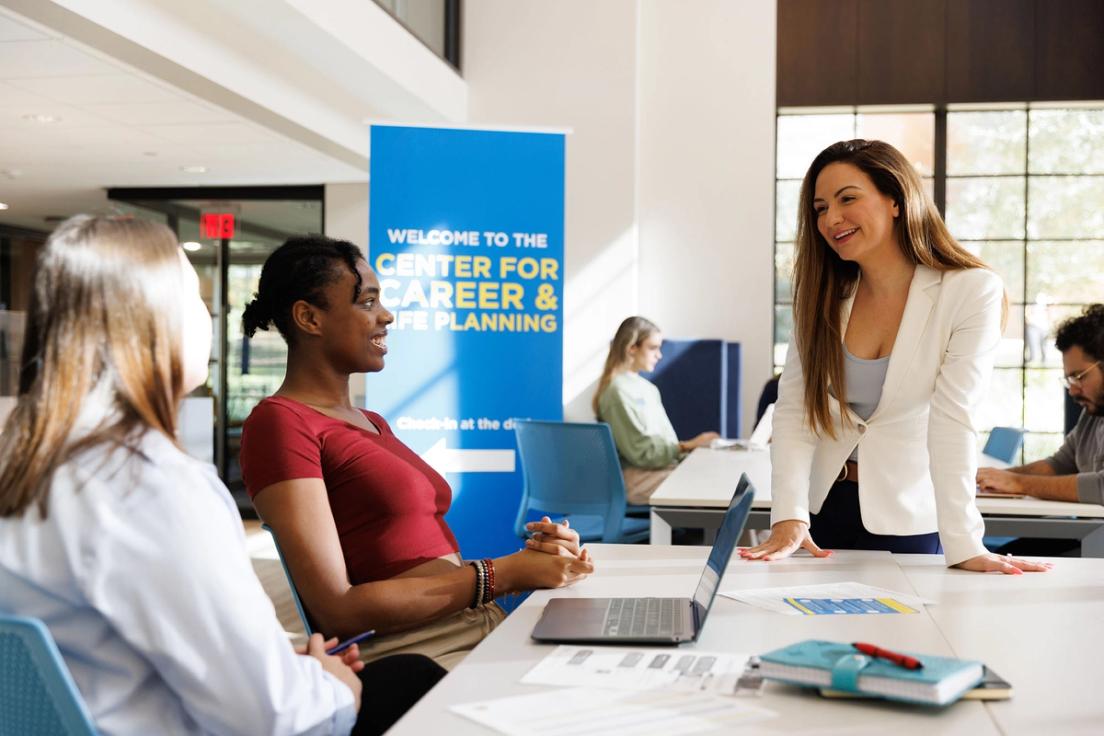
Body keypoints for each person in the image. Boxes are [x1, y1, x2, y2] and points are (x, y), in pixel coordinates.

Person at [0, 216, 444, 735]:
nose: (208, 317)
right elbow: (272, 718)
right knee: (419, 685)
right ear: (153, 321)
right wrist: (331, 687)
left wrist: (281, 660)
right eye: (195, 300)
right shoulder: (152, 485)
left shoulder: (27, 464)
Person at [238, 235, 594, 670]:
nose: (385, 316)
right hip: (417, 654)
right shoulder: (280, 423)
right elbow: (338, 609)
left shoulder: (371, 422)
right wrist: (505, 574)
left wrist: (536, 560)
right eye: (367, 302)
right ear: (309, 317)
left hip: (477, 628)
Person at [740, 139, 1050, 575]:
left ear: (896, 201)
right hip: (821, 512)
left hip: (909, 515)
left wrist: (965, 543)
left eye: (848, 198)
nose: (831, 218)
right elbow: (793, 411)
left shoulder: (969, 290)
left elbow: (954, 419)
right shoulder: (823, 295)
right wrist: (789, 515)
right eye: (820, 207)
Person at [977, 304, 1104, 505]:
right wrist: (993, 478)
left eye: (1079, 376)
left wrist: (1019, 482)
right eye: (1069, 380)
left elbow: (1101, 488)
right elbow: (1059, 465)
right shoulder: (1093, 413)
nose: (1072, 390)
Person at [592, 316, 720, 504]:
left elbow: (660, 444)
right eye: (653, 348)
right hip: (638, 478)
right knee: (720, 488)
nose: (659, 355)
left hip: (659, 469)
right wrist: (687, 445)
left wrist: (689, 450)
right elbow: (642, 454)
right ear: (631, 348)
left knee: (723, 480)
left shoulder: (648, 389)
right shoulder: (617, 392)